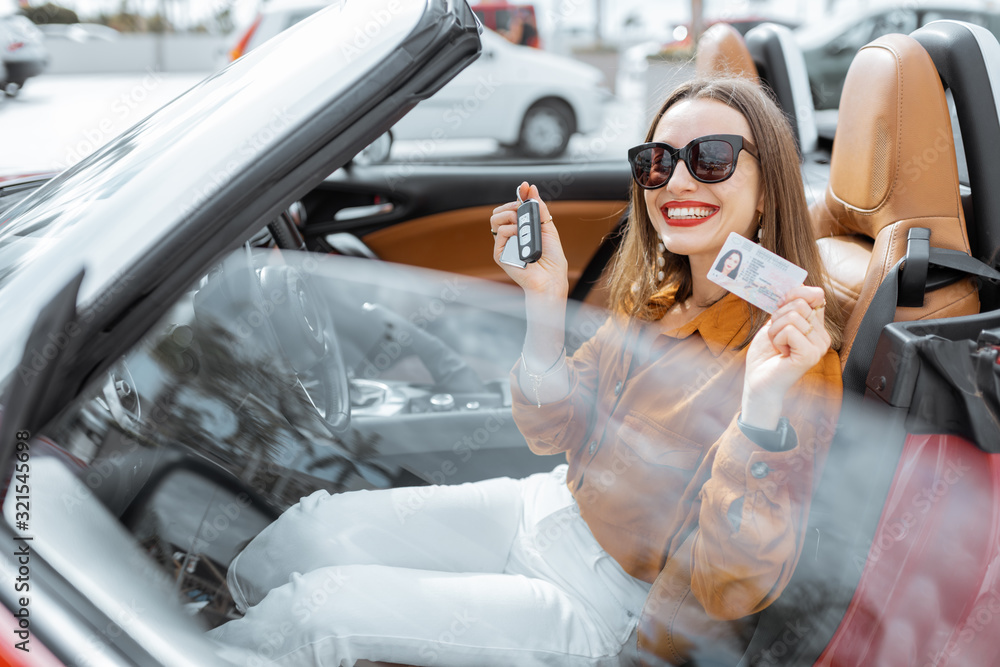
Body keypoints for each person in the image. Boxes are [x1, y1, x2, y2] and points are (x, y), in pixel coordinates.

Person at [206, 77, 844, 666]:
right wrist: (542, 301)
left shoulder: (791, 360)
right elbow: (551, 430)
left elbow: (736, 586)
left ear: (769, 187)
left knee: (318, 615)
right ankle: (211, 620)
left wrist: (760, 409)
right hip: (542, 507)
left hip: (604, 602)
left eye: (712, 159)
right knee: (311, 530)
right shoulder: (656, 296)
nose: (676, 182)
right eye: (657, 161)